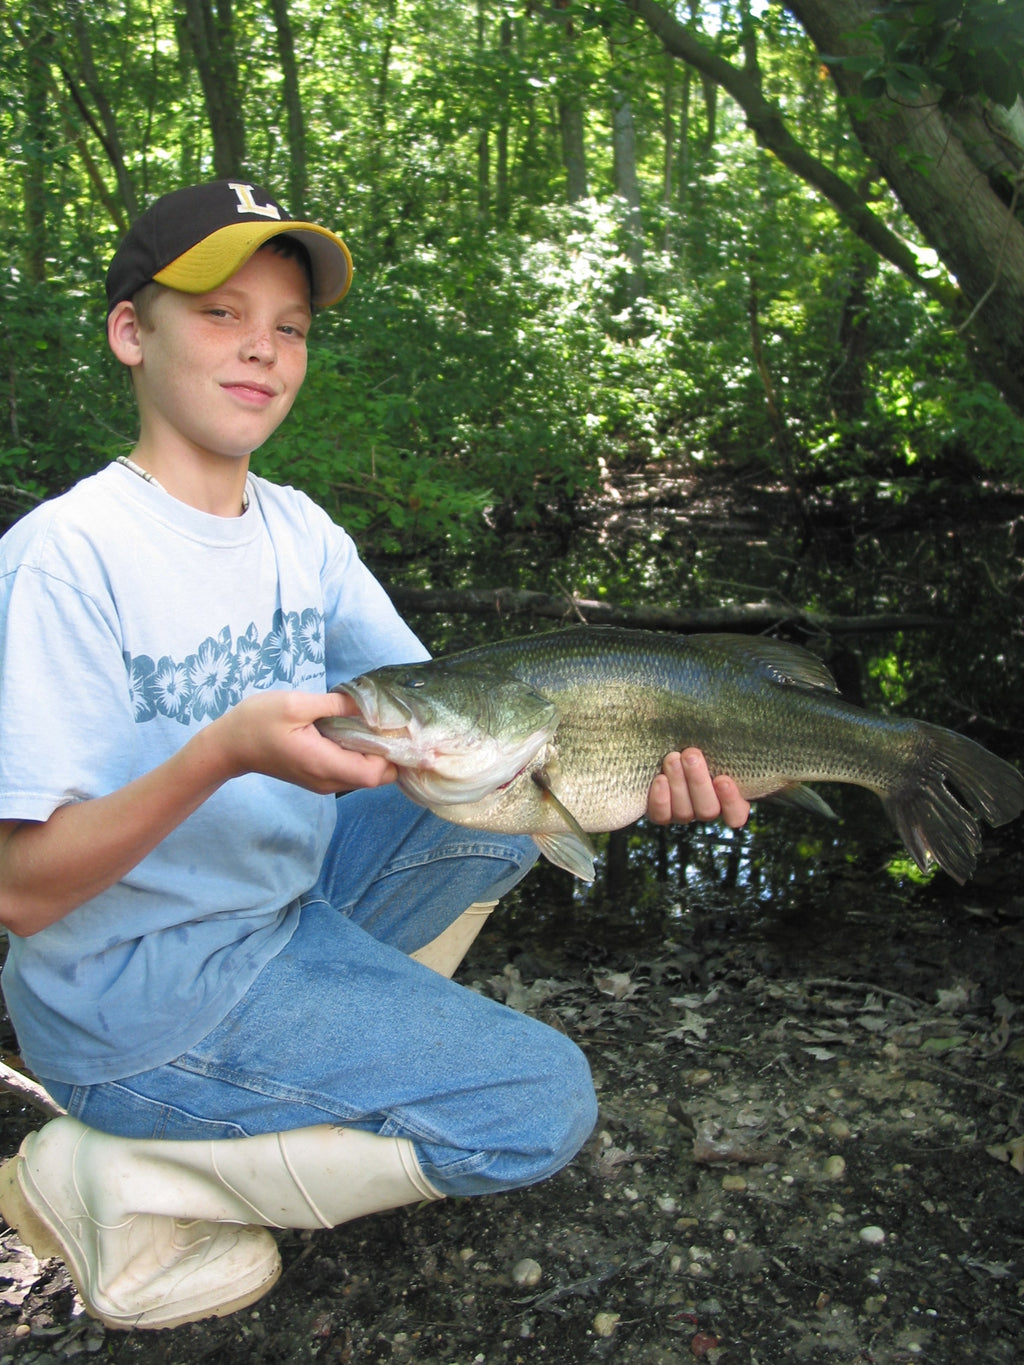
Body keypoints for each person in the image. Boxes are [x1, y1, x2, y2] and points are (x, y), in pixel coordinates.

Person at [0, 181, 750, 1332]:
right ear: (127, 332)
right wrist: (223, 755)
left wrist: (617, 766)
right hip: (131, 1001)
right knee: (534, 1107)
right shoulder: (65, 560)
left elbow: (456, 718)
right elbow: (19, 890)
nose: (261, 345)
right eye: (217, 311)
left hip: (273, 916)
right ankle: (120, 1173)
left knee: (489, 797)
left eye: (290, 326)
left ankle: (325, 1039)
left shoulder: (300, 531)